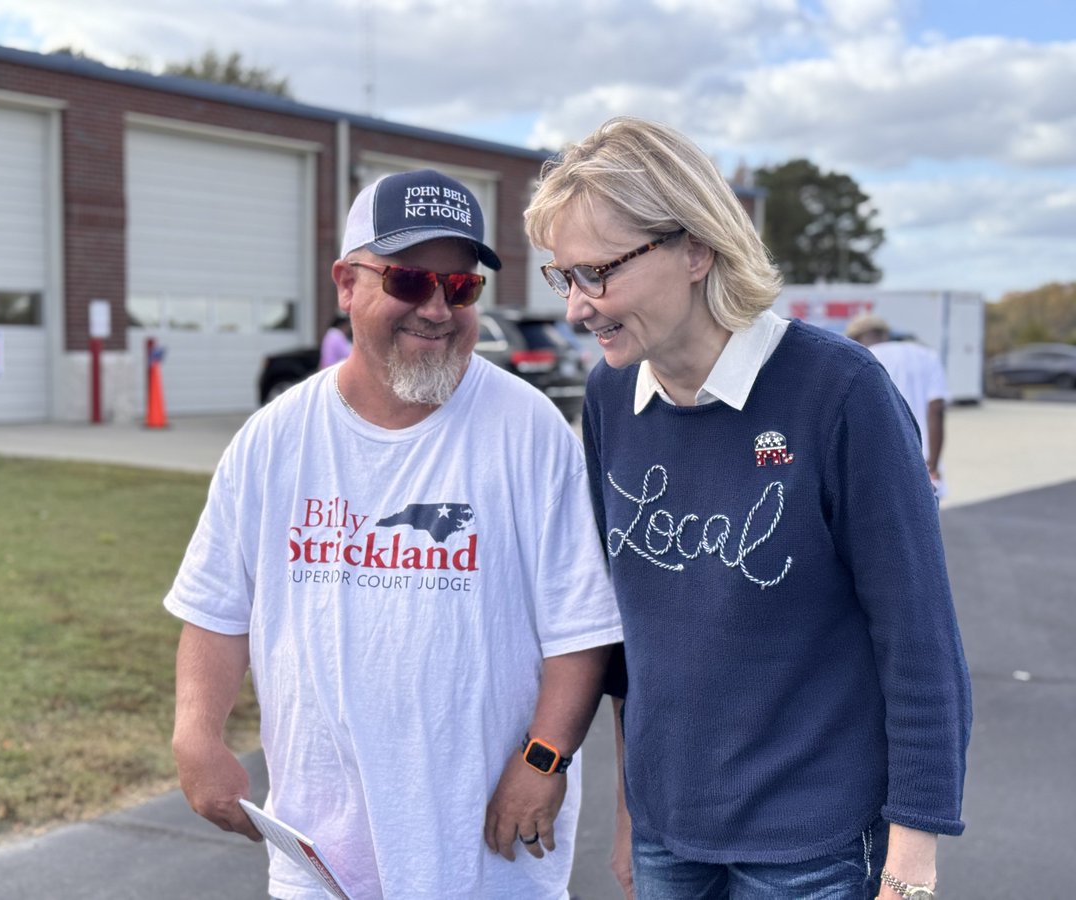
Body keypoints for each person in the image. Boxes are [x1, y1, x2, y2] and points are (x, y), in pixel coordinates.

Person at [523, 117, 971, 900]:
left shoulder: (841, 392)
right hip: (667, 834)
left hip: (815, 848)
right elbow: (631, 637)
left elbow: (919, 638)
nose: (576, 310)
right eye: (564, 277)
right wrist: (631, 811)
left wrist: (912, 859)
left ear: (696, 249)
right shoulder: (610, 395)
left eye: (597, 273)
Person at [164, 168, 623, 899]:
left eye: (461, 287)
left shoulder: (529, 431)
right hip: (323, 856)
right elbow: (217, 608)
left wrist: (544, 758)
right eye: (410, 281)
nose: (437, 309)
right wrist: (197, 735)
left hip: (490, 854)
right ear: (347, 285)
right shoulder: (274, 440)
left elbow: (581, 628)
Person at [846, 313, 949, 497]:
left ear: (855, 338)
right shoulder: (927, 355)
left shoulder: (862, 359)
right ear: (885, 334)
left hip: (883, 467)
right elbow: (937, 409)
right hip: (924, 463)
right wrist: (932, 464)